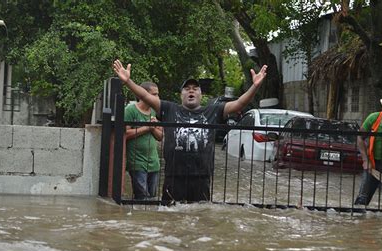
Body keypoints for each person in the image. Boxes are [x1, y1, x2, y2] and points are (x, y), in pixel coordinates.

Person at [113, 59, 267, 203]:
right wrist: (128, 82)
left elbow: (239, 103)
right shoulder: (169, 108)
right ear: (181, 95)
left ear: (201, 94)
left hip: (201, 177)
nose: (190, 91)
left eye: (195, 89)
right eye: (186, 89)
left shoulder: (213, 111)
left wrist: (255, 86)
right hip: (174, 177)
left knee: (199, 217)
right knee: (170, 218)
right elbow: (145, 95)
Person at [124, 82, 163, 200]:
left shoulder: (155, 111)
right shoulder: (130, 110)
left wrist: (152, 128)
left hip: (154, 163)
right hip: (137, 163)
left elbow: (160, 136)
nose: (157, 98)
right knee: (142, 198)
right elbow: (125, 134)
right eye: (154, 95)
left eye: (157, 95)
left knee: (152, 199)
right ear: (143, 94)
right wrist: (147, 127)